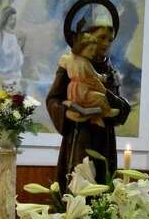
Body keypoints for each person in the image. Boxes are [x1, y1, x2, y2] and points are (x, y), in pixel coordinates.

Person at [46, 15, 131, 190]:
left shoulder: (110, 70)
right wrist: (68, 113)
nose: (106, 43)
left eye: (110, 39)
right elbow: (53, 99)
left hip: (104, 140)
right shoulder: (70, 64)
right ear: (88, 37)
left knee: (102, 189)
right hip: (80, 137)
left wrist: (112, 102)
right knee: (78, 188)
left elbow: (120, 107)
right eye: (102, 38)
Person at [57, 30, 119, 128]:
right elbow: (95, 76)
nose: (93, 53)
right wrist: (104, 77)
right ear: (81, 47)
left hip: (72, 91)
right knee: (101, 98)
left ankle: (94, 116)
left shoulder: (67, 59)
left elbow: (62, 62)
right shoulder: (85, 63)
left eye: (110, 39)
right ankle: (107, 111)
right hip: (83, 92)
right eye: (91, 50)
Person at [0, 6, 25, 86]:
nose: (14, 22)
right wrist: (16, 49)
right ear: (5, 19)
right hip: (6, 71)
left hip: (15, 72)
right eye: (11, 19)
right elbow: (4, 52)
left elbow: (18, 55)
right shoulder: (1, 34)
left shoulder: (13, 35)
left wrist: (19, 47)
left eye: (15, 19)